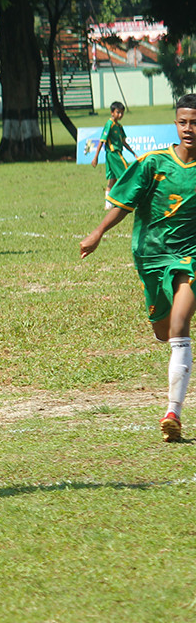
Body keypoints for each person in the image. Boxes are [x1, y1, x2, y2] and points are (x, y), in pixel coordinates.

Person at [79, 94, 196, 443]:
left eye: (195, 122)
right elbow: (125, 203)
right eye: (184, 122)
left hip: (190, 258)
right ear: (176, 124)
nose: (190, 128)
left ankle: (173, 411)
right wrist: (98, 232)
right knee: (163, 330)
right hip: (152, 258)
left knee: (179, 325)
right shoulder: (153, 164)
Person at [91, 101, 136, 209]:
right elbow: (102, 140)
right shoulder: (109, 124)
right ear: (112, 113)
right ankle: (126, 199)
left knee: (112, 179)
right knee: (127, 173)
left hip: (116, 153)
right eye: (117, 112)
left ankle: (108, 204)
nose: (120, 115)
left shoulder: (119, 126)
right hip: (113, 154)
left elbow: (124, 142)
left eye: (121, 113)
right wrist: (96, 157)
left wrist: (133, 153)